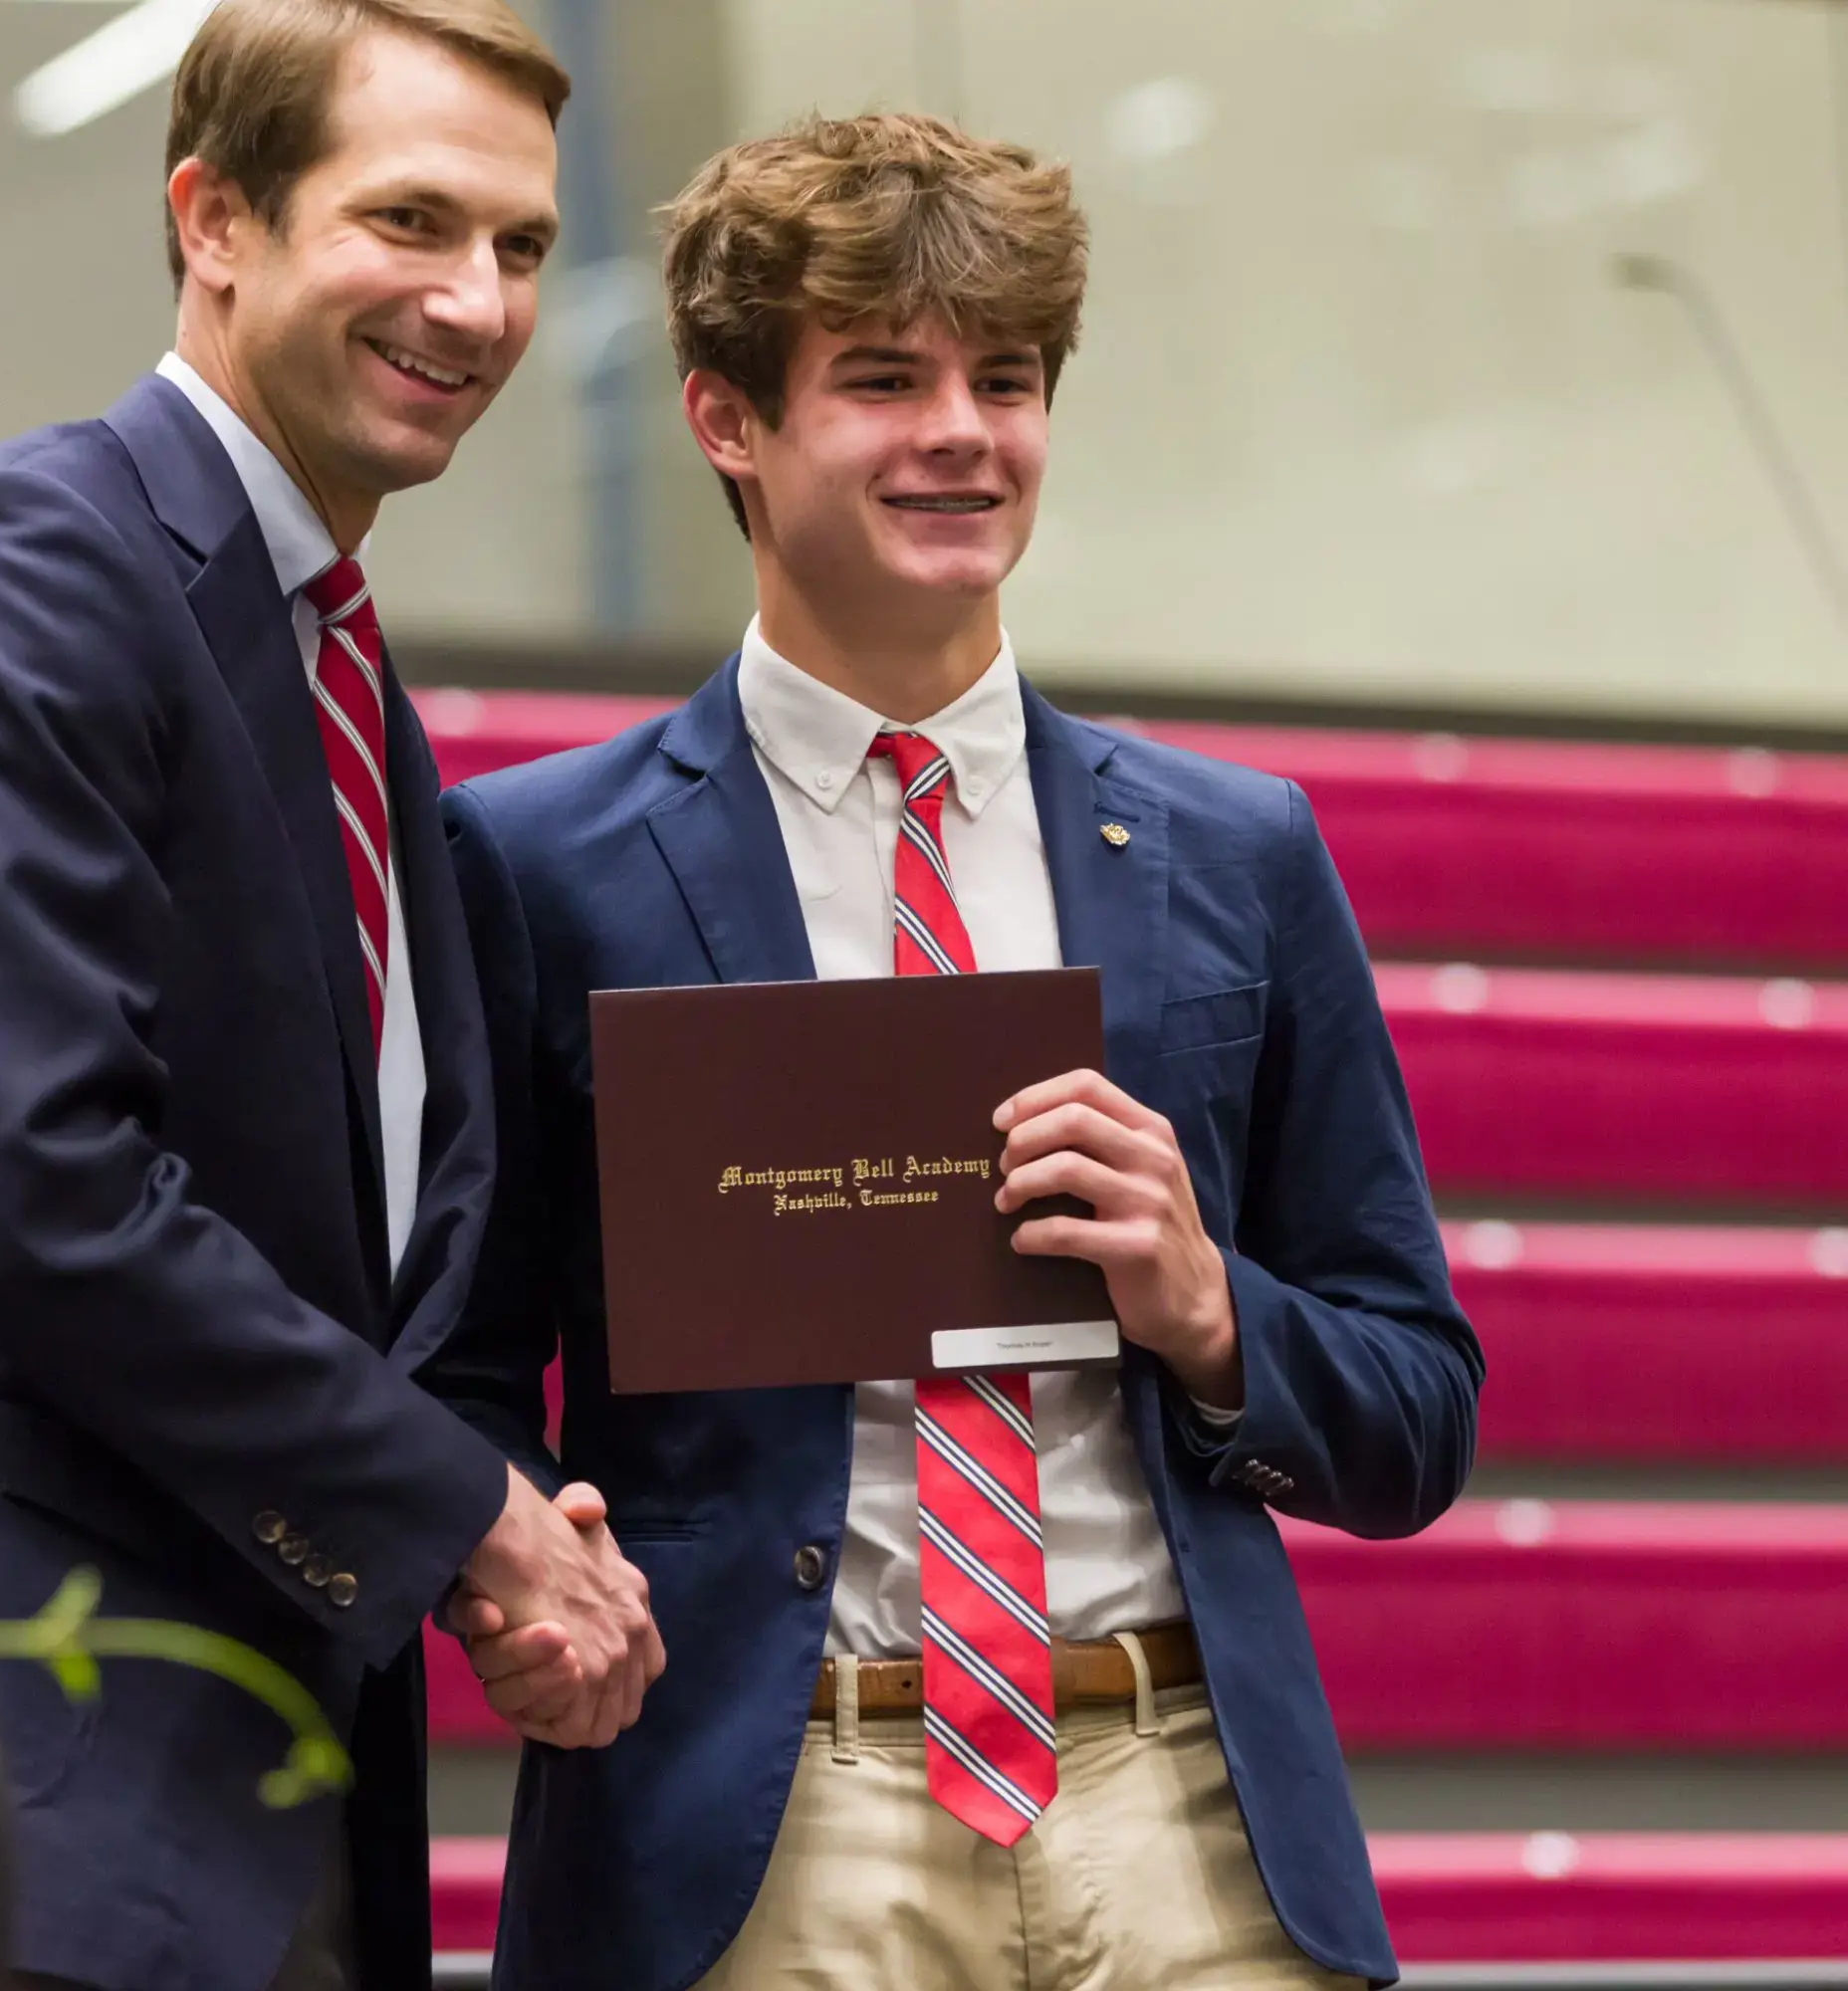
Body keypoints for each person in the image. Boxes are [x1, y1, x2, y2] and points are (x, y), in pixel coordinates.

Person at [432, 112, 1483, 1990]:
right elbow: (457, 1371)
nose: (962, 434)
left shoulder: (1236, 851)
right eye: (882, 379)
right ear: (727, 419)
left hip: (1185, 1813)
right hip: (764, 1819)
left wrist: (1212, 1313)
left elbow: (1418, 1414)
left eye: (1005, 379)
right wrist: (518, 1562)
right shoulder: (537, 864)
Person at [0, 6, 660, 1990]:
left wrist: (488, 1519)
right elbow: (37, 1192)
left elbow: (361, 1282)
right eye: (408, 220)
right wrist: (470, 1519)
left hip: (247, 1805)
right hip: (3, 1794)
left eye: (516, 244)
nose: (477, 302)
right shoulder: (13, 566)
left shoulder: (356, 706)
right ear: (213, 219)